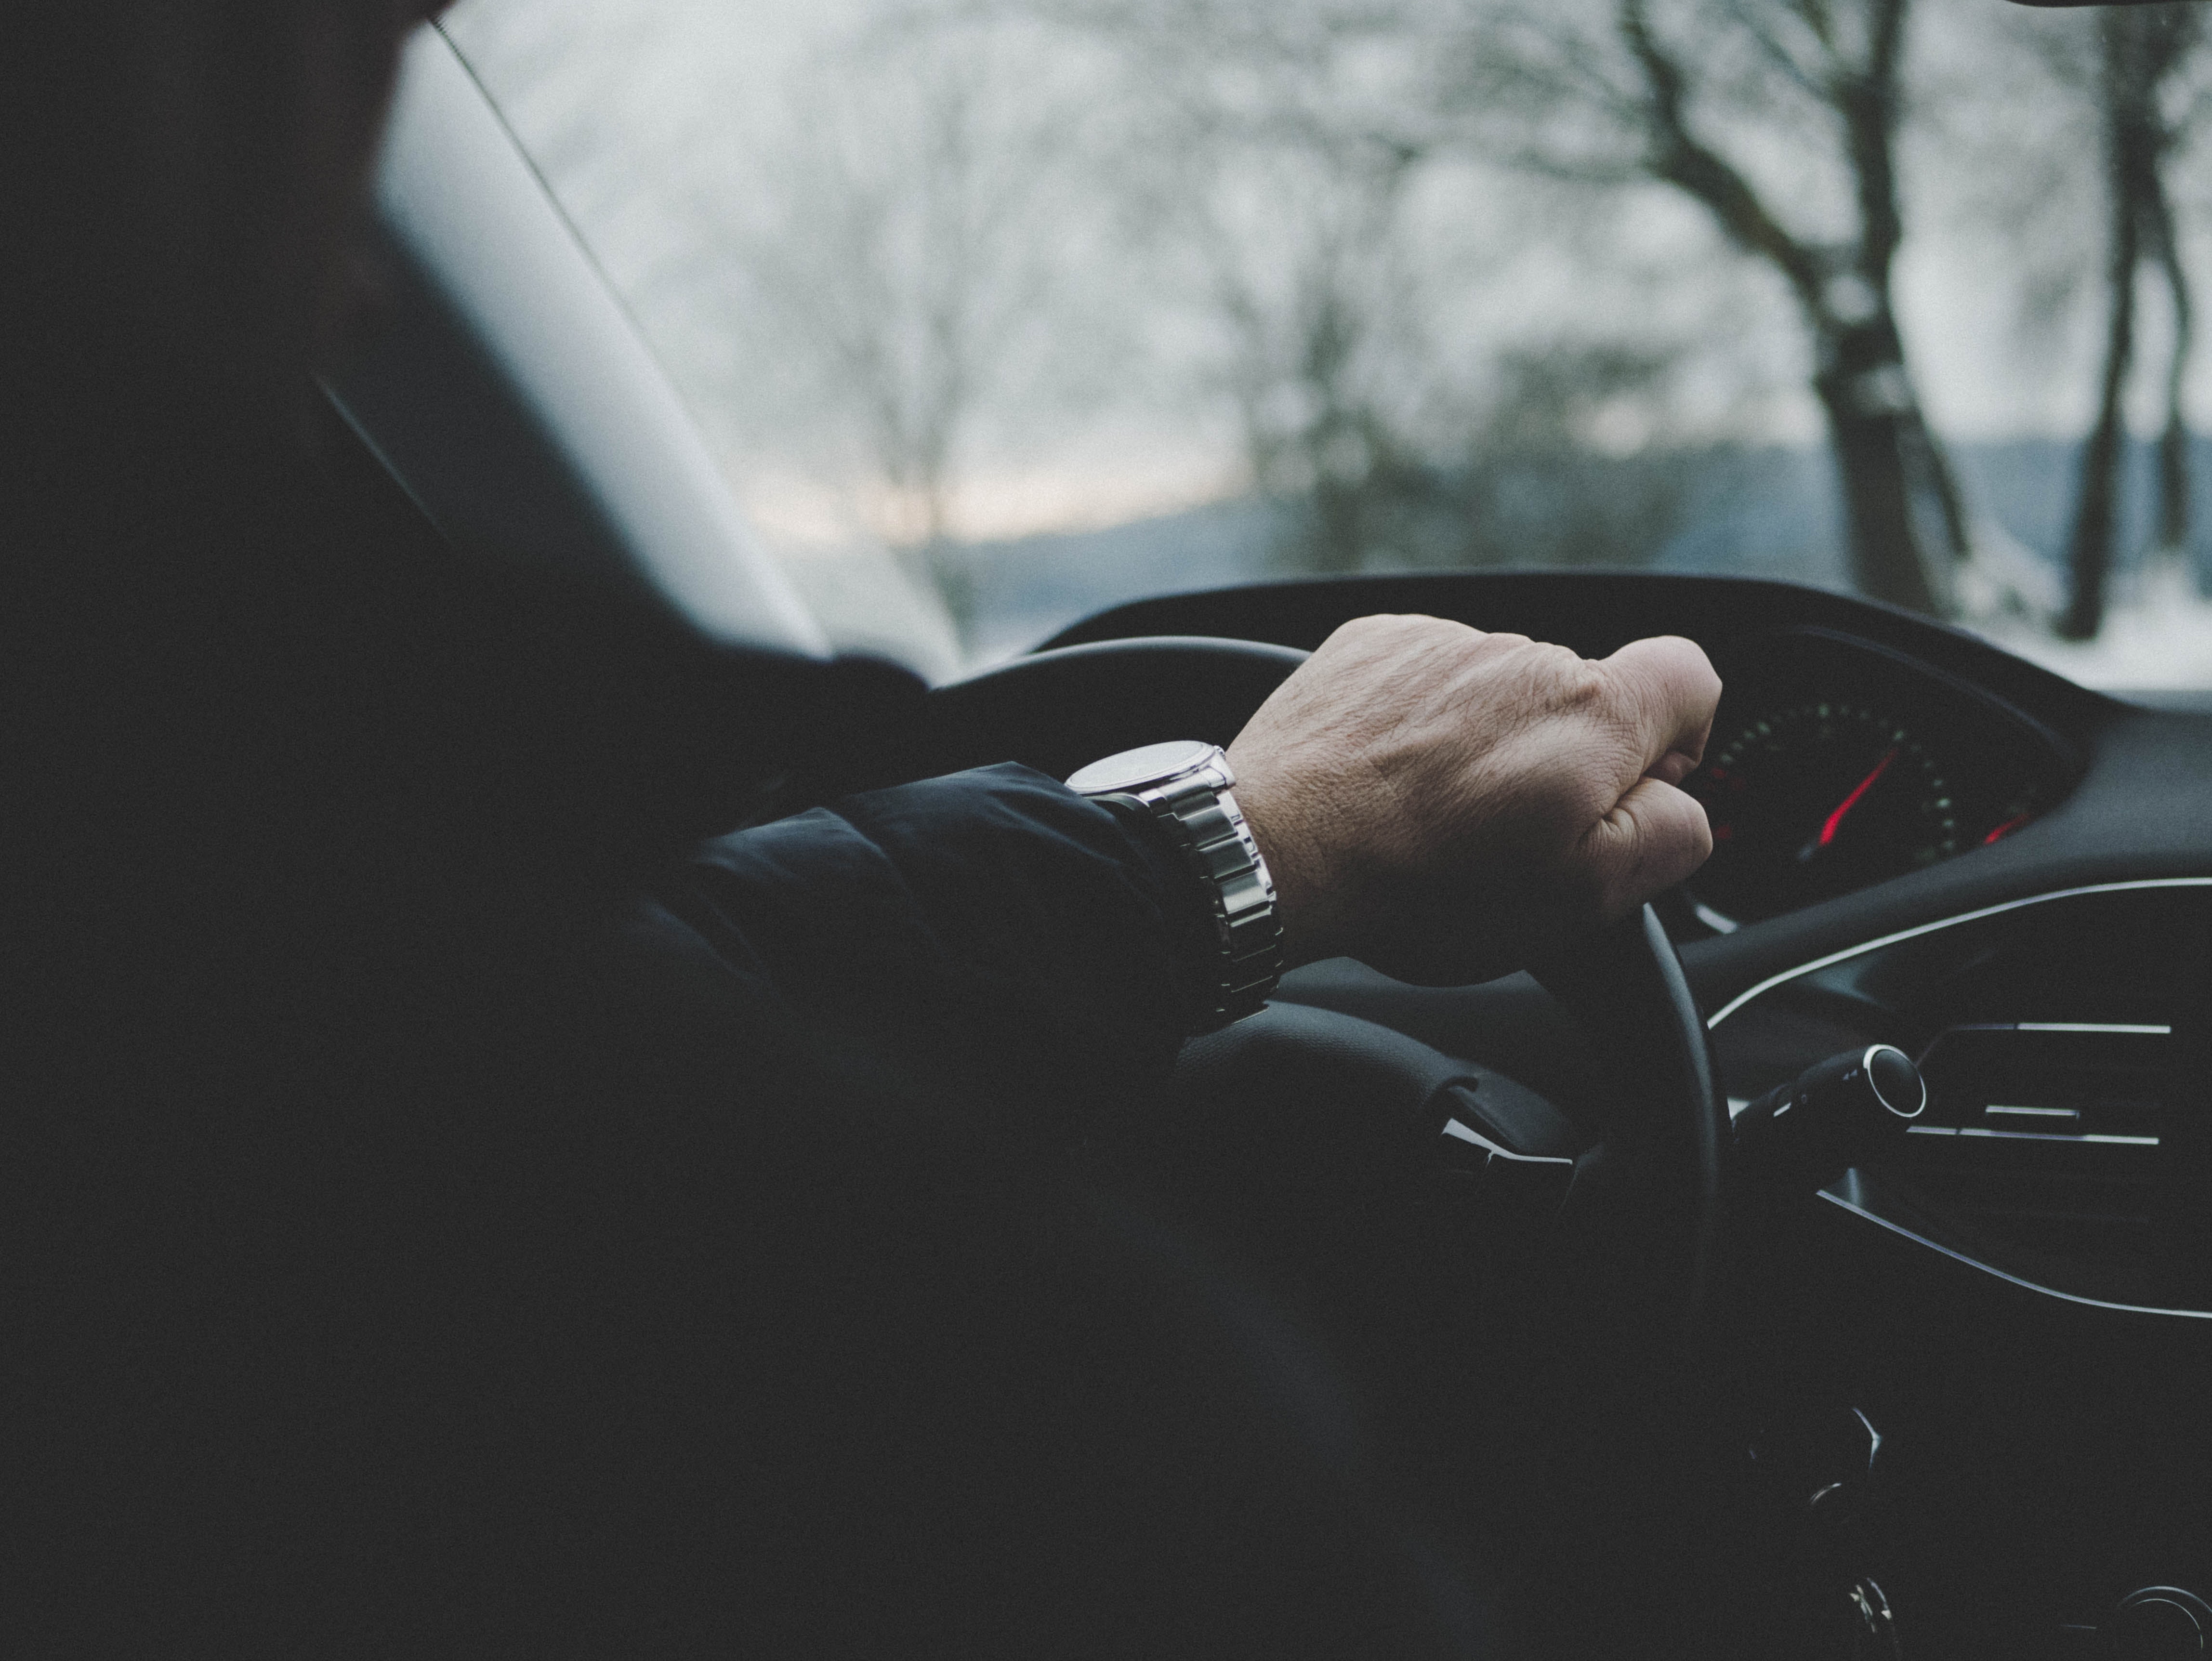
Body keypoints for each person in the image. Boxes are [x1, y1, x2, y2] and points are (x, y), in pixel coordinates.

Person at [0, 2, 1720, 1653]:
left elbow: (671, 986)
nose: (362, 273)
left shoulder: (196, 1025)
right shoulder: (924, 1393)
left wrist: (1251, 837)